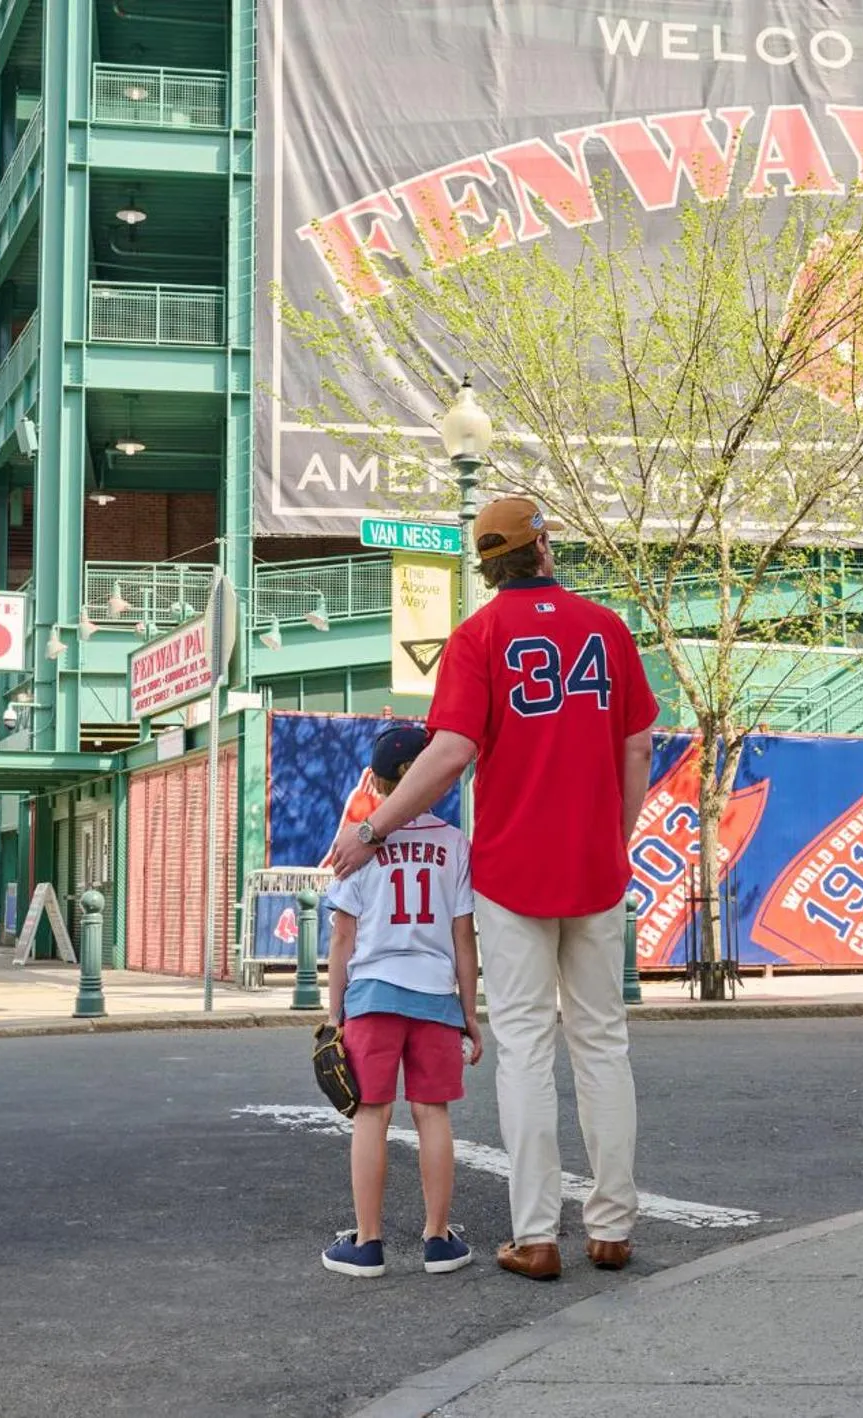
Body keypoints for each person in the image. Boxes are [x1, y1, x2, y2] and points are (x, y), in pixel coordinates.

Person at [330, 497, 657, 1282]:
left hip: (512, 869)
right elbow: (638, 742)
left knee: (523, 1053)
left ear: (486, 563)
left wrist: (373, 828)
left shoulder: (477, 637)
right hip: (595, 864)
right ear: (542, 547)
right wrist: (615, 834)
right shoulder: (605, 628)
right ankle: (610, 1227)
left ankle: (535, 1234)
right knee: (602, 1044)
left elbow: (447, 755)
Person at [319, 723, 484, 1279]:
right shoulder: (454, 843)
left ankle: (367, 1243)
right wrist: (470, 1013)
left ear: (380, 781)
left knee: (372, 1113)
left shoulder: (361, 842)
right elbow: (464, 936)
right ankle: (438, 1239)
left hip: (372, 993)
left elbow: (343, 936)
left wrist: (334, 1012)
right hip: (436, 993)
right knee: (431, 1112)